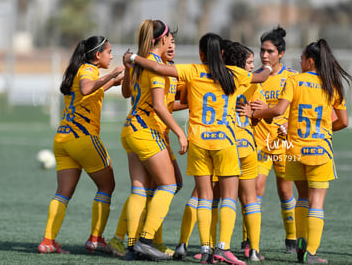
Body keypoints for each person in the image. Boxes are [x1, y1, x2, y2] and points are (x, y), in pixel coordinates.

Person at [125, 32, 272, 265]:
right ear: (222, 54)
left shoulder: (193, 70)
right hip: (225, 142)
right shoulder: (236, 73)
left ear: (201, 53)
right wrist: (268, 67)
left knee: (204, 197)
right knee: (229, 198)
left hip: (198, 142)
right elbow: (261, 77)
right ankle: (222, 248)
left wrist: (133, 58)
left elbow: (159, 69)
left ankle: (205, 249)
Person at [237, 39, 352, 264]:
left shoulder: (294, 81)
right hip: (319, 150)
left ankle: (299, 244)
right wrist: (326, 130)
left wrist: (254, 114)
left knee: (301, 197)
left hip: (294, 149)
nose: (300, 62)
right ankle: (310, 252)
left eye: (301, 58)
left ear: (310, 61)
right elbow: (344, 122)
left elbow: (279, 110)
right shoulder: (333, 84)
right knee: (316, 202)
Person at [38, 36, 124, 254]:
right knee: (107, 186)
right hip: (83, 139)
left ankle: (48, 241)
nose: (111, 56)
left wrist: (115, 80)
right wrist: (112, 74)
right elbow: (87, 89)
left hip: (63, 140)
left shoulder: (80, 70)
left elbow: (88, 94)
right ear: (98, 55)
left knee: (63, 193)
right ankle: (96, 239)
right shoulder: (88, 70)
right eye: (109, 52)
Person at [107, 30, 185, 258]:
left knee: (144, 190)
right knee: (168, 186)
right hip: (146, 130)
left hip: (138, 129)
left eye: (174, 43)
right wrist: (180, 131)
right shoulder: (155, 66)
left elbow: (132, 95)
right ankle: (143, 241)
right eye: (169, 41)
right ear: (159, 41)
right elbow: (157, 106)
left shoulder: (152, 64)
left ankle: (131, 243)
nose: (171, 46)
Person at [249, 27, 299, 255]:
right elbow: (246, 108)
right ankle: (250, 240)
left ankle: (291, 237)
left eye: (270, 51)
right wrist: (251, 112)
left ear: (281, 53)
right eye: (262, 50)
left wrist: (290, 124)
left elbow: (299, 109)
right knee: (254, 190)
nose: (264, 55)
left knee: (285, 191)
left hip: (283, 144)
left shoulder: (293, 77)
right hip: (259, 143)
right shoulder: (255, 78)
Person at [223, 41, 265, 262]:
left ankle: (214, 247)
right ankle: (255, 250)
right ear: (241, 63)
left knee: (216, 199)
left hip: (226, 144)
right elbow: (259, 117)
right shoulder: (254, 84)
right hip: (247, 145)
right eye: (250, 62)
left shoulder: (218, 80)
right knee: (250, 199)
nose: (252, 66)